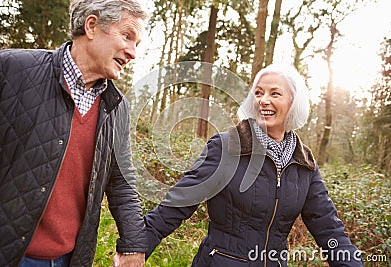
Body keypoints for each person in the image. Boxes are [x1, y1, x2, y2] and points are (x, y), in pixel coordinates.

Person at [144, 64, 363, 266]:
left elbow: (329, 227)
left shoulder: (304, 163)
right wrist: (136, 247)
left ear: (293, 103)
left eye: (274, 93)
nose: (263, 100)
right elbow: (179, 202)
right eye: (258, 93)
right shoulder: (227, 146)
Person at [0, 0, 148, 266]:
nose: (133, 52)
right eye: (127, 36)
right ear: (92, 26)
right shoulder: (9, 70)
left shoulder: (117, 107)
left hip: (69, 258)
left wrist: (133, 244)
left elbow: (121, 180)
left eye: (137, 44)